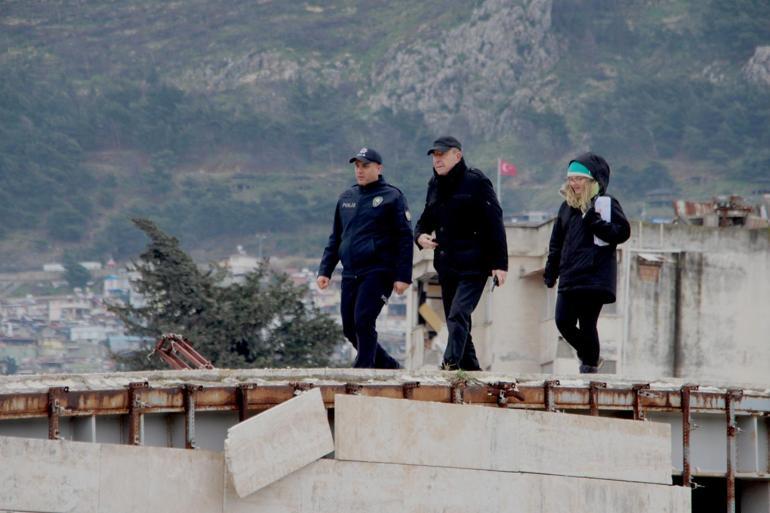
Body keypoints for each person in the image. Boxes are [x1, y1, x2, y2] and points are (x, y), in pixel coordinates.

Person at [414, 136, 508, 371]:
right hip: (447, 265)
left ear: (457, 155)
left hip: (475, 264)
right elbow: (426, 218)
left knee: (458, 314)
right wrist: (419, 235)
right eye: (434, 156)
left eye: (442, 154)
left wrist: (500, 264)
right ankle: (472, 370)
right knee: (458, 320)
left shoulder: (476, 181)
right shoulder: (433, 185)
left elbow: (495, 221)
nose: (437, 160)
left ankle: (449, 363)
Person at [317, 147, 413, 369]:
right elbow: (336, 237)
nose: (360, 170)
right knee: (349, 328)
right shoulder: (346, 198)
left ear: (378, 168)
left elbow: (405, 239)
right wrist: (325, 270)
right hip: (350, 272)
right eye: (357, 166)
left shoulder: (393, 196)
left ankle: (363, 371)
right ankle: (388, 366)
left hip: (379, 271)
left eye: (365, 166)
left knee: (363, 321)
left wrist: (403, 276)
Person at [543, 152, 631, 373]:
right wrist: (551, 272)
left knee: (587, 323)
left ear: (593, 181)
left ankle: (589, 367)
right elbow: (556, 244)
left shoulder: (606, 204)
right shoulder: (565, 208)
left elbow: (622, 233)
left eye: (579, 179)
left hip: (594, 276)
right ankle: (591, 356)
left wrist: (594, 220)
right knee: (563, 321)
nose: (574, 183)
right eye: (571, 179)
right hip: (570, 275)